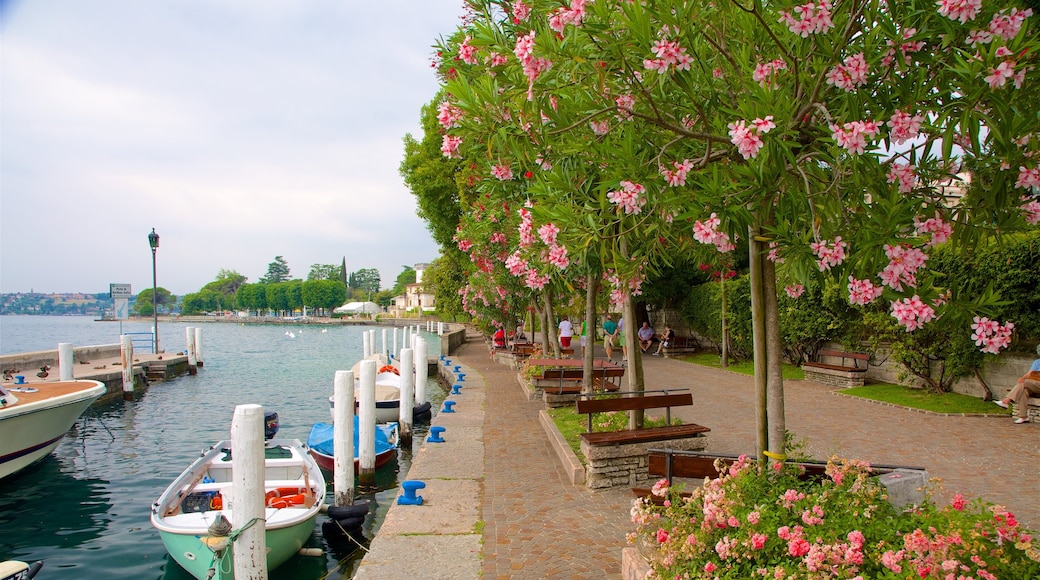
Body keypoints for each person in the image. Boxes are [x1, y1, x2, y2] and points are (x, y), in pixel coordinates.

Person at [994, 343, 1040, 424]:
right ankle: (1023, 417)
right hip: (1035, 385)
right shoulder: (1037, 362)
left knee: (1024, 382)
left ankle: (1006, 401)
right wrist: (1022, 378)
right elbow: (1029, 374)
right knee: (1023, 390)